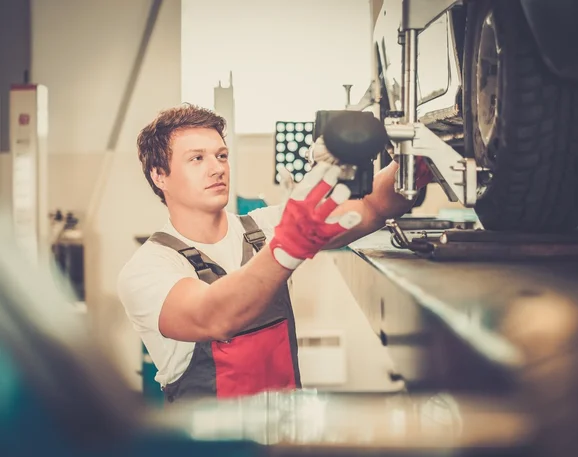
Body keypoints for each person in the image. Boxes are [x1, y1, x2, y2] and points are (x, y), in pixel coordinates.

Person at [118, 103, 431, 403]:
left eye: (221, 155)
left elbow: (371, 206)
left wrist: (415, 161)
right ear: (160, 175)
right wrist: (287, 246)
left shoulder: (264, 227)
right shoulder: (148, 268)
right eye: (197, 159)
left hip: (283, 436)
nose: (217, 168)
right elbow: (213, 316)